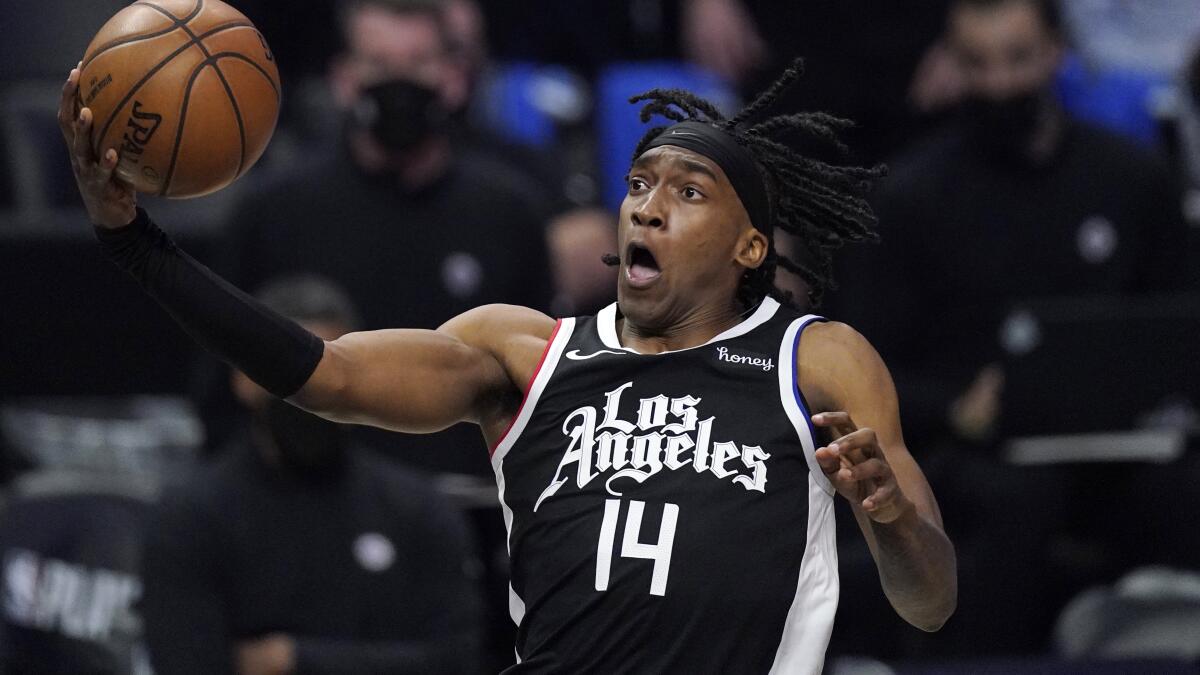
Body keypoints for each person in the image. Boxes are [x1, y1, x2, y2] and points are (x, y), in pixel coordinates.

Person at [61, 58, 956, 673]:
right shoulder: (528, 353)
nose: (647, 207)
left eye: (688, 192)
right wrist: (136, 244)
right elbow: (322, 374)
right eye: (639, 183)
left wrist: (888, 519)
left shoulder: (816, 358)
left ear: (751, 245)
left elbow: (930, 603)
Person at [139, 276, 482, 675]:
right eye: (285, 371)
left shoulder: (419, 511)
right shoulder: (190, 519)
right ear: (241, 378)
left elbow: (458, 662)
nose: (310, 394)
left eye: (328, 372)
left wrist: (291, 659)